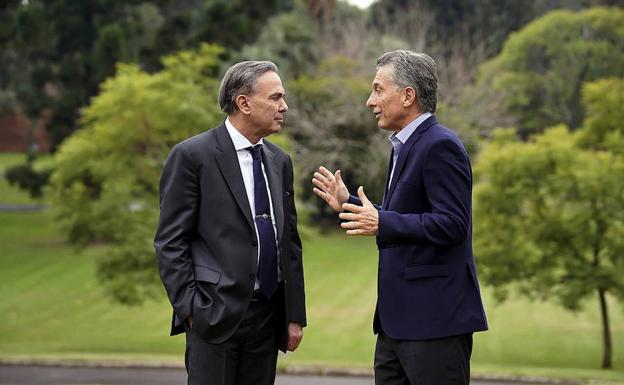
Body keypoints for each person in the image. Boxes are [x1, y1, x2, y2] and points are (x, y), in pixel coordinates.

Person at [312, 50, 488, 385]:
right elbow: (407, 216)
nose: (369, 101)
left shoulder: (440, 145)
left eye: (378, 89)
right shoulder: (403, 146)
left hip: (434, 323)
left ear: (408, 96)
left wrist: (382, 223)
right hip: (397, 325)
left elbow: (452, 224)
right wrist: (349, 202)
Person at [155, 60, 306, 385]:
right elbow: (170, 241)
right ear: (244, 103)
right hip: (214, 316)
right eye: (276, 98)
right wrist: (192, 310)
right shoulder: (192, 156)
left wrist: (294, 315)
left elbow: (289, 242)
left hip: (267, 319)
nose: (284, 106)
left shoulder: (280, 162)